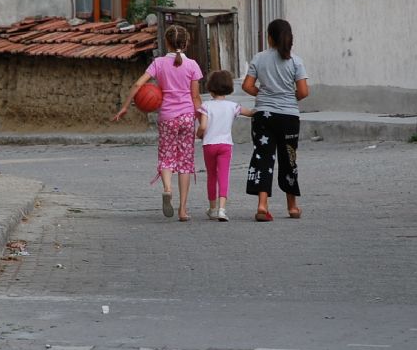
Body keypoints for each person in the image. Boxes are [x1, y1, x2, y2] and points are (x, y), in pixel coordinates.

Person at [114, 25, 203, 221]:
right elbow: (195, 97)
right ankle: (183, 210)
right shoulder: (192, 65)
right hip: (187, 117)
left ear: (166, 42)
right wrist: (202, 120)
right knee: (185, 162)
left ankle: (168, 189)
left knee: (166, 156)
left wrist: (125, 106)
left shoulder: (159, 63)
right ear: (186, 43)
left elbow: (138, 84)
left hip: (167, 117)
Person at [242, 19, 309, 221]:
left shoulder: (259, 58)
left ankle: (262, 206)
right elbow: (303, 92)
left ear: (269, 37)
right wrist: (287, 98)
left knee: (263, 158)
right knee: (289, 159)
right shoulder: (296, 61)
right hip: (289, 117)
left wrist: (264, 95)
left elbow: (247, 86)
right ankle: (292, 207)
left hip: (263, 115)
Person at [197, 70, 254, 222]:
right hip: (225, 145)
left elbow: (203, 126)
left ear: (210, 88)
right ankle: (222, 209)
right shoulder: (232, 106)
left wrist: (199, 134)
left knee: (211, 176)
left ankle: (212, 208)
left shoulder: (206, 106)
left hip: (209, 145)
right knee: (224, 175)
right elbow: (250, 113)